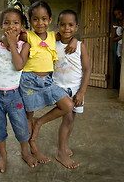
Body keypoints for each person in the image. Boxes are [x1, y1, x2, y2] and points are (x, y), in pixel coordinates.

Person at [0, 7, 37, 173]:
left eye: (16, 23)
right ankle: (3, 157)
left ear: (22, 26)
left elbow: (19, 66)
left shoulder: (23, 46)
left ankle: (25, 152)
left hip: (14, 96)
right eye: (7, 22)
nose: (11, 26)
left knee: (21, 127)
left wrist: (12, 43)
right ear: (0, 26)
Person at [18, 1, 77, 166]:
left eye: (44, 19)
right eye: (35, 19)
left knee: (67, 105)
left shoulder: (53, 36)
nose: (40, 23)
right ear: (30, 20)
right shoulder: (27, 35)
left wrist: (74, 40)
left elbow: (68, 34)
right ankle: (33, 145)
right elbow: (12, 35)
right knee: (28, 115)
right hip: (28, 81)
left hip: (47, 82)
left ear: (50, 20)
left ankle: (40, 122)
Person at [52, 9, 91, 168]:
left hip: (76, 90)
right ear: (57, 26)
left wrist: (82, 92)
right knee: (67, 119)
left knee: (71, 120)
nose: (66, 28)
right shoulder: (53, 43)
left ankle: (64, 145)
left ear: (76, 27)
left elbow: (87, 69)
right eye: (62, 24)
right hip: (59, 88)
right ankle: (61, 152)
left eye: (70, 25)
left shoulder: (80, 46)